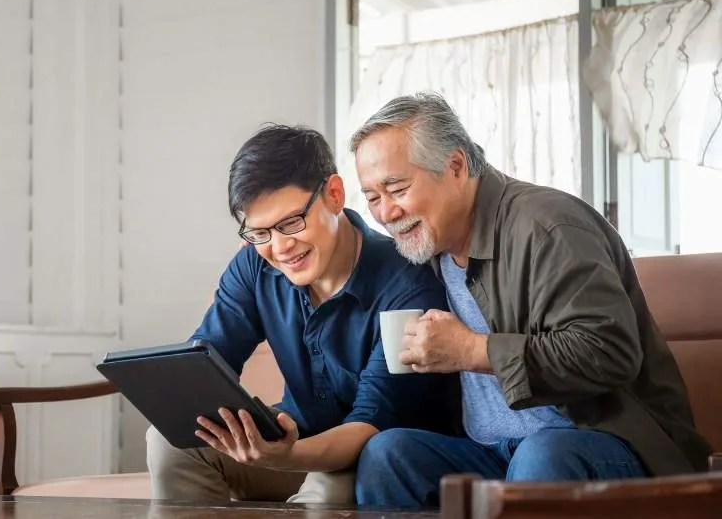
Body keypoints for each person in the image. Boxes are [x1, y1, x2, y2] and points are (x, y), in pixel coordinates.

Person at [349, 92, 711, 508]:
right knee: (388, 456)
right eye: (373, 197)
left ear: (455, 166)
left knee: (541, 455)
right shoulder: (429, 247)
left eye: (397, 188)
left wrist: (472, 350)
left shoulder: (548, 226)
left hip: (609, 447)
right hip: (494, 454)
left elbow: (608, 351)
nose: (386, 212)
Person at [146, 124, 459, 504]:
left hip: (368, 453)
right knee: (168, 440)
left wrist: (283, 455)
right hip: (294, 438)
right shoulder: (253, 267)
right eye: (259, 233)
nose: (279, 248)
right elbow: (207, 362)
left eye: (291, 223)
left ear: (334, 194)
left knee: (327, 490)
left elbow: (370, 424)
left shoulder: (408, 284)